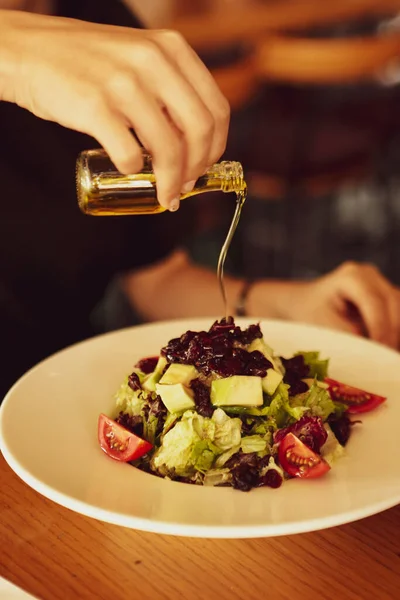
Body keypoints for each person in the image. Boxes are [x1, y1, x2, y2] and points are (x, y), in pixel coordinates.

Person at [0, 1, 399, 399]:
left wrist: (290, 304)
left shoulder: (101, 20)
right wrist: (13, 51)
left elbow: (157, 280)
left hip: (55, 400)